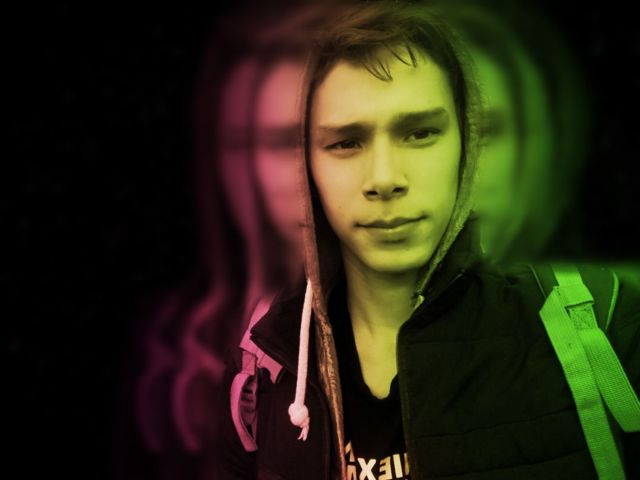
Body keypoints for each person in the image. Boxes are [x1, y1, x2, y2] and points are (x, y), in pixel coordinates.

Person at [217, 2, 640, 479]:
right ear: (308, 167)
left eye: (420, 133)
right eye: (346, 142)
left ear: (466, 145)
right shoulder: (264, 364)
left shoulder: (605, 326)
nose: (384, 178)